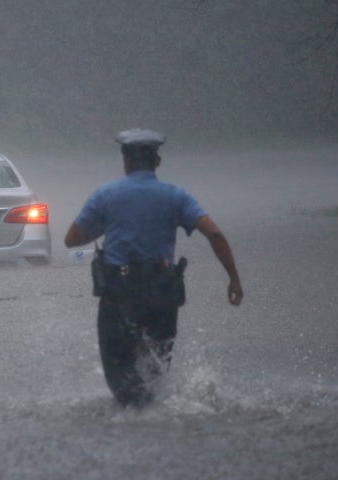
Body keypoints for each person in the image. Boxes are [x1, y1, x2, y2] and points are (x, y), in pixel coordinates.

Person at [64, 127, 243, 407]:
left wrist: (106, 225)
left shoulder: (105, 195)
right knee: (155, 371)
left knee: (120, 377)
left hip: (118, 294)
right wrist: (234, 279)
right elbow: (216, 235)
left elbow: (71, 239)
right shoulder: (176, 196)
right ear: (156, 161)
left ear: (125, 161)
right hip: (162, 294)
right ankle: (154, 420)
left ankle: (130, 424)